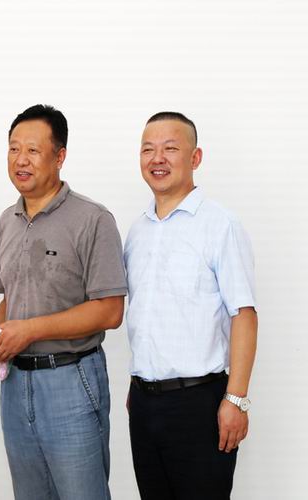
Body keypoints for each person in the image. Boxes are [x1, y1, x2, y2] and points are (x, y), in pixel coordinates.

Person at [0, 105, 127, 500]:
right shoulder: (6, 221)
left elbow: (110, 310)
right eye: (13, 149)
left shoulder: (92, 219)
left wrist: (30, 331)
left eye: (33, 150)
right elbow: (12, 300)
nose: (20, 160)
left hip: (71, 379)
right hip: (14, 384)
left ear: (59, 156)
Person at [124, 112, 257, 500]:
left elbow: (244, 315)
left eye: (170, 148)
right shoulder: (137, 231)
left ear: (195, 158)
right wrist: (139, 382)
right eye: (148, 149)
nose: (157, 159)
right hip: (144, 404)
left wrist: (236, 399)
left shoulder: (220, 225)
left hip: (198, 404)